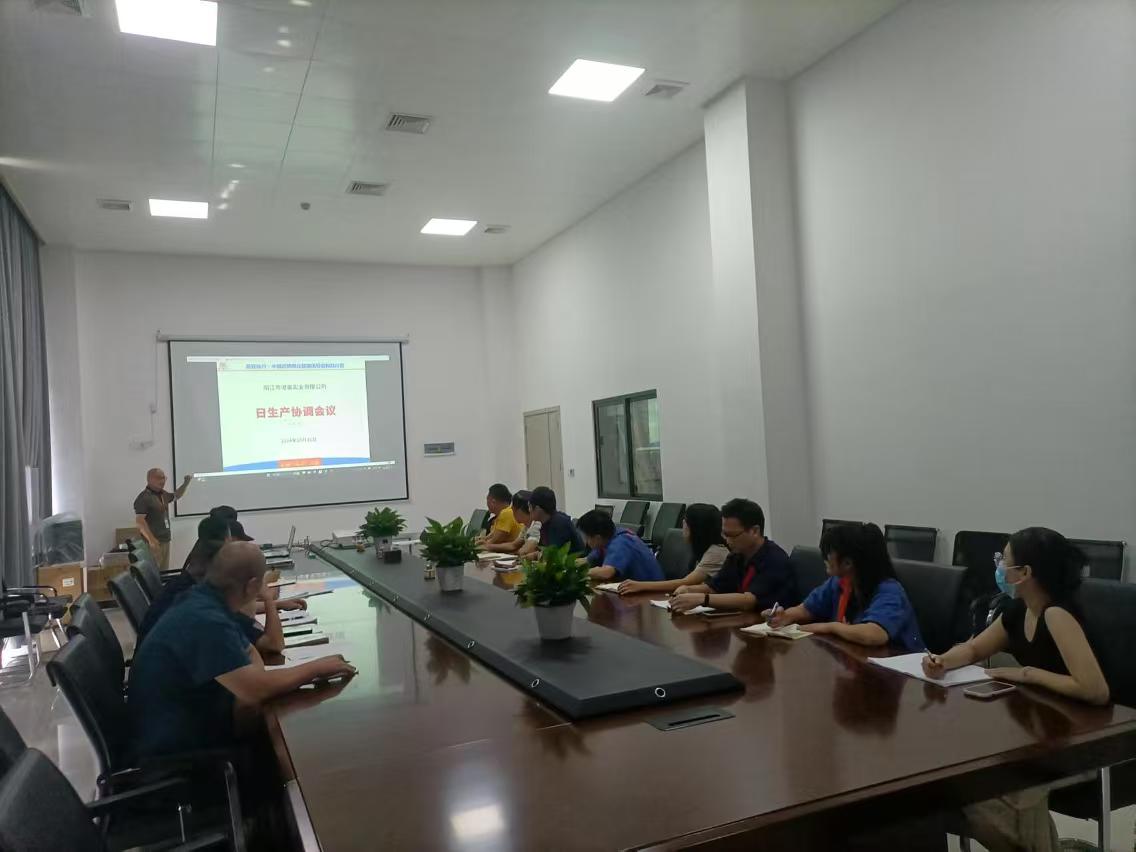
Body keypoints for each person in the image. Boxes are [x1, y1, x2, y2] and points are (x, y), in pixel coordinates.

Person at [922, 528, 1109, 852]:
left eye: (1004, 560)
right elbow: (974, 648)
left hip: (1085, 737)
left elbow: (1095, 690)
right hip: (1043, 729)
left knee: (998, 787)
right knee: (968, 775)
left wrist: (1027, 674)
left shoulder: (1057, 614)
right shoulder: (1019, 611)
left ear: (1025, 573)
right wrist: (942, 661)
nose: (999, 567)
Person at [127, 541, 356, 761]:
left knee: (265, 717)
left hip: (175, 727)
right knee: (293, 740)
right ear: (251, 586)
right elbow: (256, 689)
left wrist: (253, 679)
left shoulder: (201, 601)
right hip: (173, 752)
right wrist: (317, 668)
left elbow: (251, 657)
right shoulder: (206, 620)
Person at [137, 516, 297, 656]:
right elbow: (273, 644)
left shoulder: (190, 590)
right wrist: (267, 598)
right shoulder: (209, 608)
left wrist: (277, 603)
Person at [764, 522, 925, 651]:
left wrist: (831, 627)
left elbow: (874, 635)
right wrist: (785, 616)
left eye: (829, 553)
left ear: (848, 563)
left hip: (898, 671)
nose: (825, 558)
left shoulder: (890, 590)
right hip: (856, 660)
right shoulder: (839, 582)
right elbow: (807, 609)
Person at [670, 498, 797, 614]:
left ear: (754, 531)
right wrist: (689, 590)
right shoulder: (737, 555)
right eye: (724, 534)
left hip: (768, 623)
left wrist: (703, 599)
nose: (727, 540)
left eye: (732, 535)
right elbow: (715, 587)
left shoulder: (774, 558)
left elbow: (749, 600)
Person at [617, 503, 729, 595]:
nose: (683, 524)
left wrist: (640, 585)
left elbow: (687, 582)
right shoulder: (706, 548)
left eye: (685, 521)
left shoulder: (716, 552)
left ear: (696, 528)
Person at [577, 510, 664, 582]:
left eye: (586, 538)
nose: (586, 542)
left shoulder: (621, 542)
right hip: (632, 588)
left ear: (597, 538)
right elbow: (587, 560)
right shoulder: (606, 539)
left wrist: (579, 573)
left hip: (652, 591)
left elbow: (606, 573)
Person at [133, 467, 193, 569]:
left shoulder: (162, 494)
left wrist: (186, 483)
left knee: (164, 571)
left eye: (164, 478)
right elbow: (139, 521)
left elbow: (176, 495)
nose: (163, 481)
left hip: (165, 540)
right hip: (153, 543)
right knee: (154, 572)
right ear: (150, 479)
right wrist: (151, 540)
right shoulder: (144, 497)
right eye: (159, 478)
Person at [527, 486, 585, 555]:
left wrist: (537, 555)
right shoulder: (545, 523)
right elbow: (545, 550)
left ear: (537, 509)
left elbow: (555, 555)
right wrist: (535, 554)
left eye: (530, 506)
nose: (529, 510)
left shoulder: (560, 524)